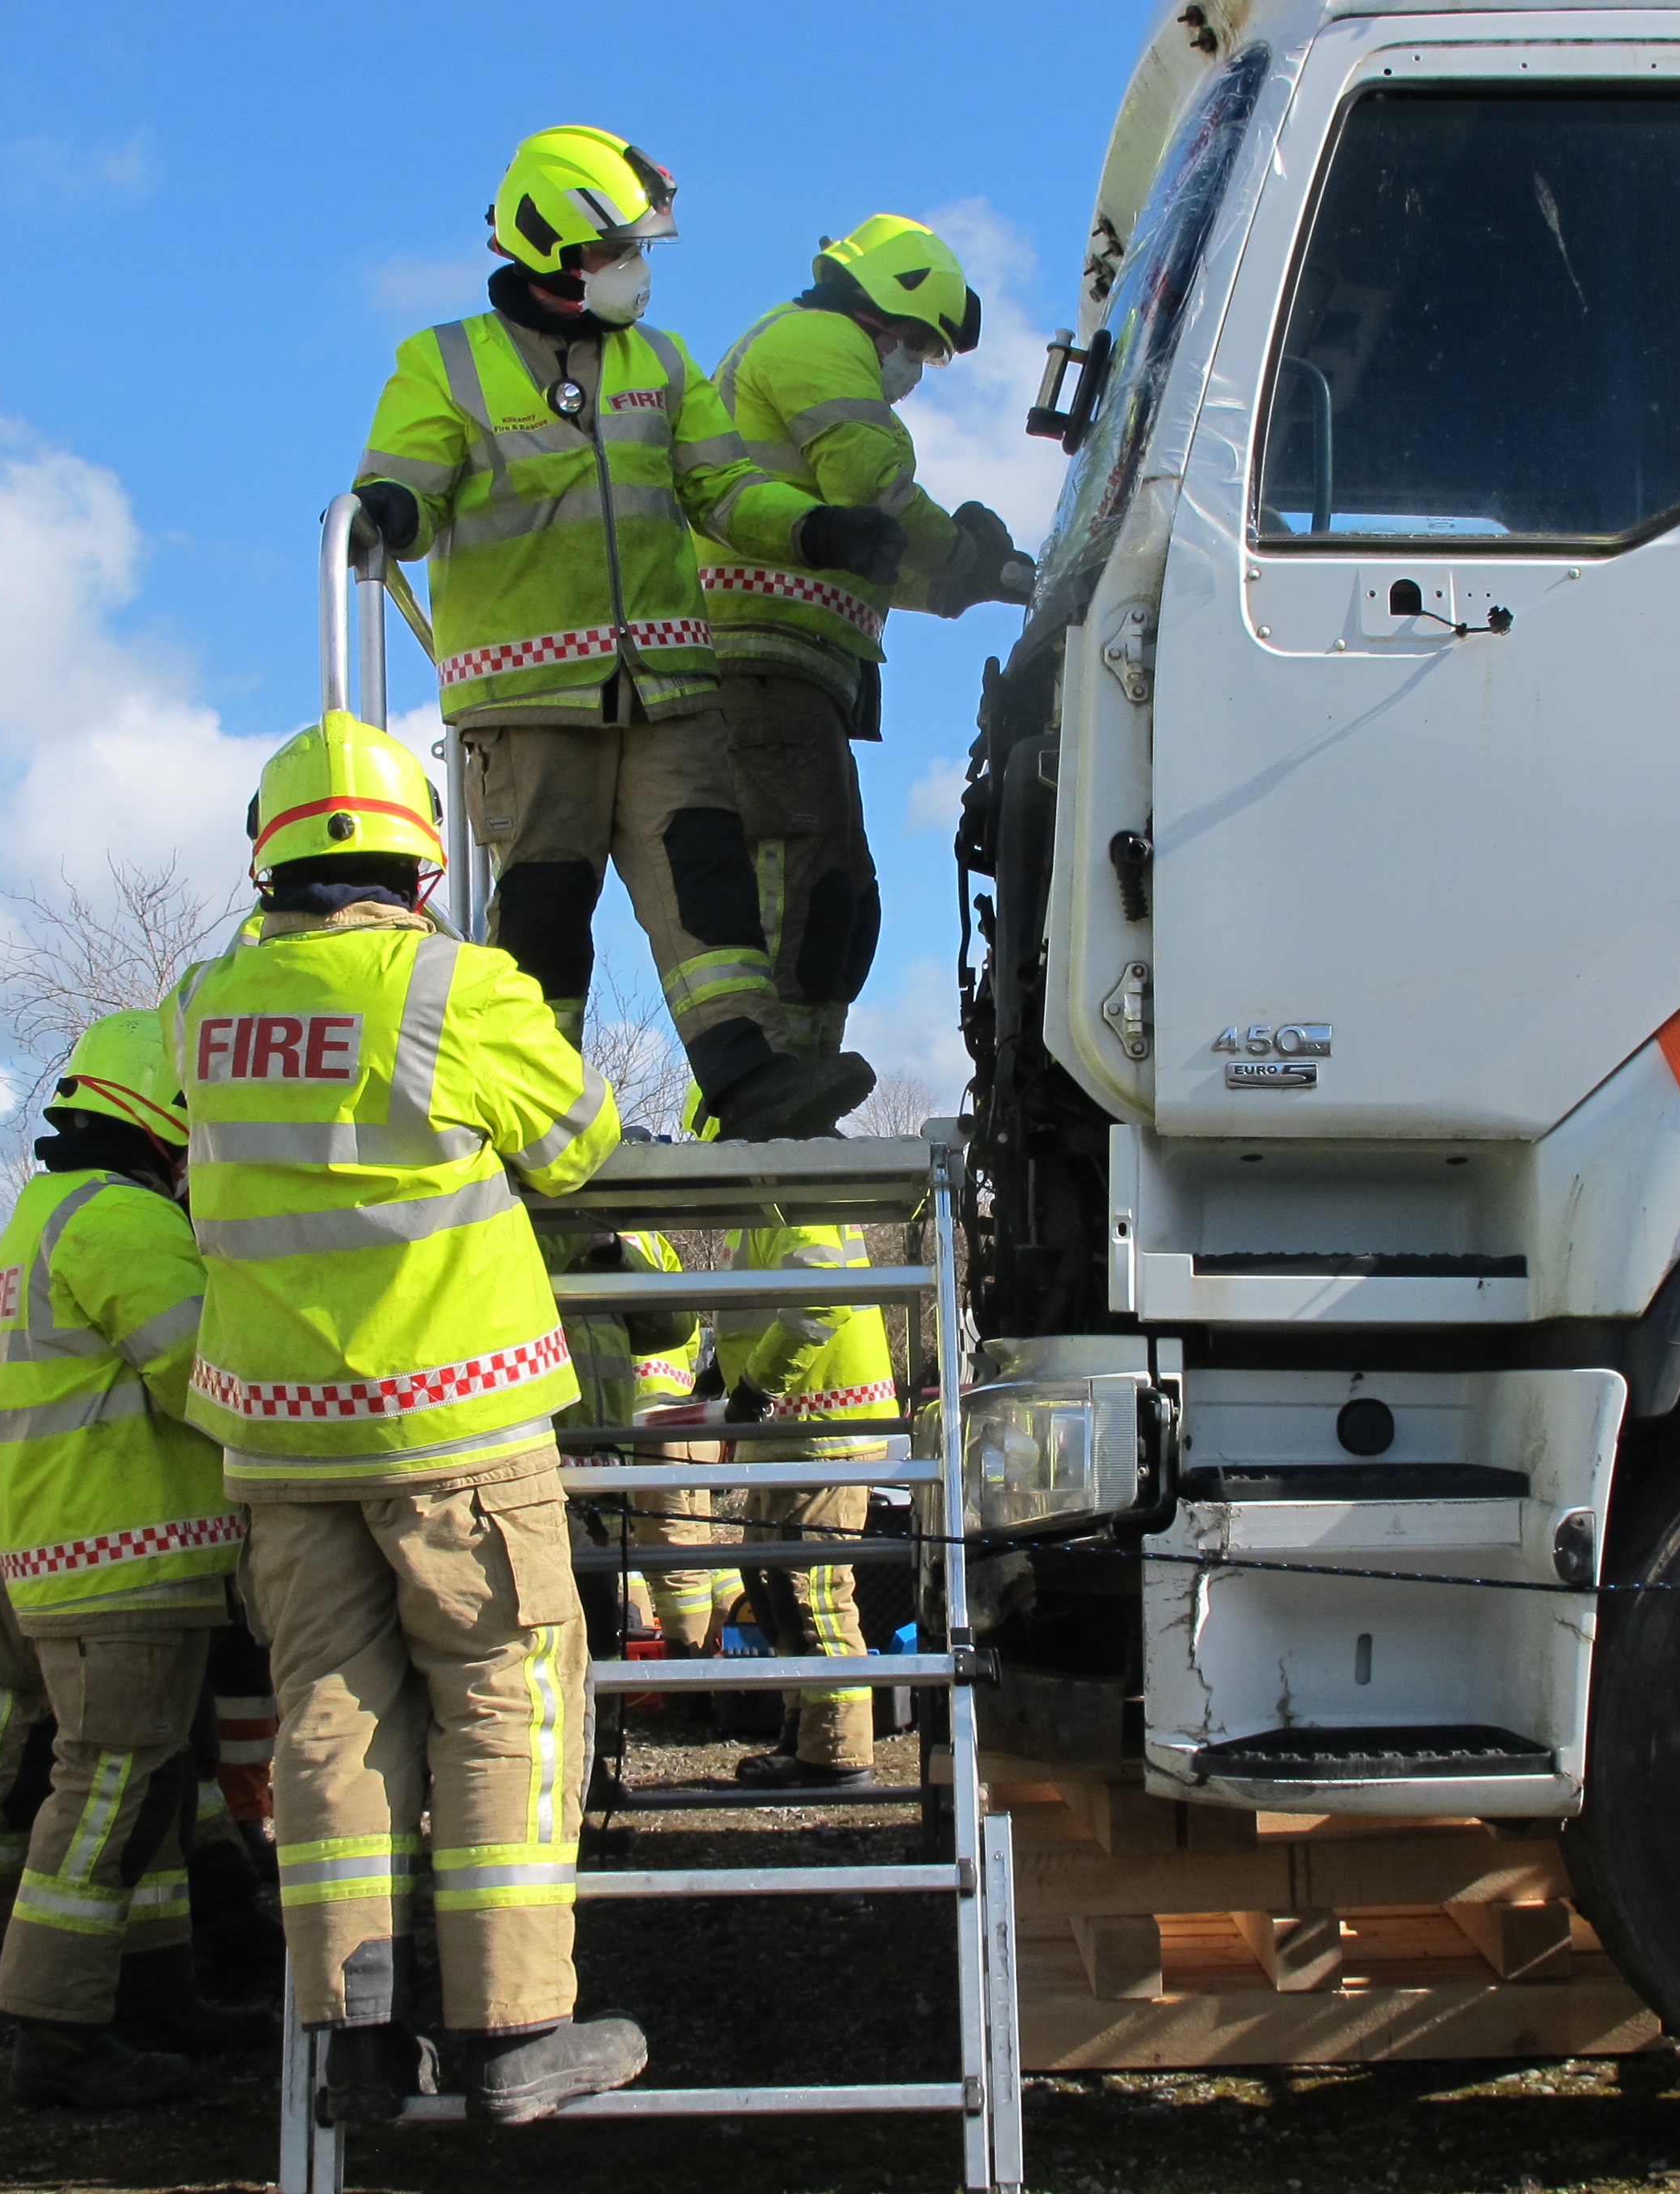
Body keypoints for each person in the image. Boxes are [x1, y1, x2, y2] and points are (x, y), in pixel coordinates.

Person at [165, 710, 645, 2125]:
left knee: (329, 1718)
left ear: (266, 867)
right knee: (503, 1703)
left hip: (277, 1438)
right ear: (423, 870)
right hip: (456, 1428)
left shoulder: (201, 1005)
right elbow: (577, 1145)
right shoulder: (455, 989)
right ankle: (510, 2034)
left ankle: (357, 2041)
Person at [352, 125, 903, 1143]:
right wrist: (387, 509)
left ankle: (745, 1077)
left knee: (708, 886)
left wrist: (815, 525)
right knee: (545, 915)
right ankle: (532, 1111)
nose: (636, 271)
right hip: (529, 703)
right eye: (617, 251)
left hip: (667, 691)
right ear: (557, 249)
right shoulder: (443, 367)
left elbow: (725, 487)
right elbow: (409, 489)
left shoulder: (663, 362)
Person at [0, 1010, 265, 2105]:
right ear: (163, 1114)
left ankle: (156, 1995)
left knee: (156, 1794)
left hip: (77, 1556)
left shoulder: (49, 1210)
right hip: (125, 1563)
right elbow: (209, 1378)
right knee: (112, 1796)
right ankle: (58, 2033)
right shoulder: (121, 1224)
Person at [698, 214, 1033, 1057]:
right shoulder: (814, 342)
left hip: (798, 670)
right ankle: (766, 1084)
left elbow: (873, 554)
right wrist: (970, 555)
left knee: (839, 894)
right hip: (757, 660)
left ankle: (797, 1078)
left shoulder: (810, 348)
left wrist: (975, 582)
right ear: (882, 309)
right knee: (797, 880)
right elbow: (877, 488)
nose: (915, 367)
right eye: (917, 344)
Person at [686, 1092, 901, 1789]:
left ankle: (836, 1754)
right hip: (785, 1429)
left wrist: (751, 1392)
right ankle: (802, 1732)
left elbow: (820, 1296)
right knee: (774, 1584)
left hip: (821, 1428)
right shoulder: (761, 1201)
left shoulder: (796, 1192)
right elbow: (763, 1301)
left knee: (812, 1587)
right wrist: (719, 1375)